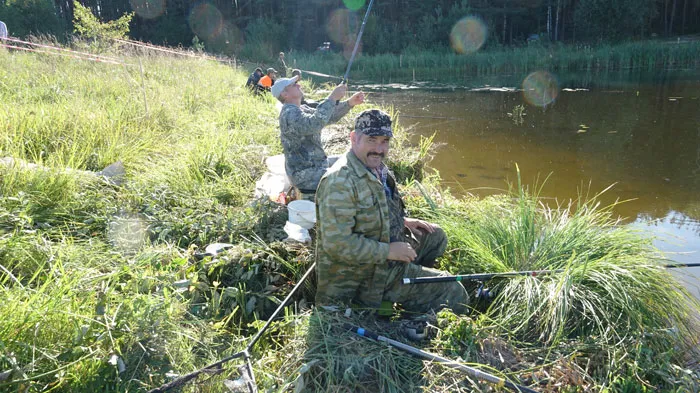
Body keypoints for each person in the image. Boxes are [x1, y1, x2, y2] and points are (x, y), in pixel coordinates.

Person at [314, 109, 470, 314]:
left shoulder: (375, 167)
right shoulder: (340, 182)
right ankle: (397, 301)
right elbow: (337, 245)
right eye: (372, 140)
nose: (379, 149)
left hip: (385, 251)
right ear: (354, 138)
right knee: (454, 291)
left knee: (436, 236)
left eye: (385, 141)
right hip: (364, 277)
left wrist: (403, 220)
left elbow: (375, 207)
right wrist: (388, 251)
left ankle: (411, 288)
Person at [271, 75, 364, 201]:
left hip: (316, 165)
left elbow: (327, 117)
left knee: (352, 158)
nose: (299, 85)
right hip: (305, 174)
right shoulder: (288, 113)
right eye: (294, 85)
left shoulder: (301, 109)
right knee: (351, 174)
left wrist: (349, 103)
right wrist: (332, 98)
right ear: (285, 94)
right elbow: (314, 124)